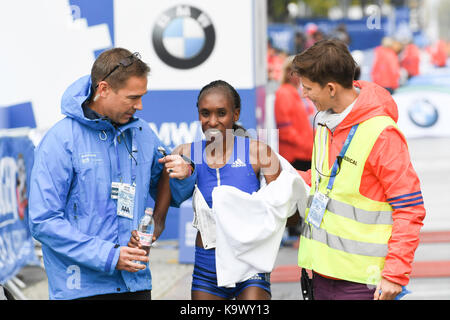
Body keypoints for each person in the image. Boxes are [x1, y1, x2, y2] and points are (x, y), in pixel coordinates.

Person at [28, 47, 196, 300]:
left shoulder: (142, 132)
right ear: (103, 89)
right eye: (132, 97)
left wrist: (185, 171)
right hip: (80, 289)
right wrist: (109, 255)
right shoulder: (60, 140)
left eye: (142, 97)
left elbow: (172, 192)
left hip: (135, 284)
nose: (139, 106)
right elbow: (43, 221)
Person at [129, 80, 306, 300]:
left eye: (221, 113)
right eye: (205, 113)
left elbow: (290, 217)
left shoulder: (260, 153)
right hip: (207, 267)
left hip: (249, 264)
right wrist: (142, 239)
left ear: (236, 114)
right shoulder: (184, 153)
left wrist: (258, 210)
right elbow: (159, 220)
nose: (212, 121)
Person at [292, 39, 426, 300]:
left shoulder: (382, 134)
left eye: (308, 88)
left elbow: (409, 208)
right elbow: (321, 183)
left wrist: (394, 275)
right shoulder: (324, 122)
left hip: (362, 284)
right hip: (320, 274)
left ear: (331, 88)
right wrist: (277, 174)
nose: (304, 95)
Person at [274, 56, 314, 237]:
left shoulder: (293, 92)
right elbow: (286, 128)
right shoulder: (284, 93)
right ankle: (294, 228)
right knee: (297, 193)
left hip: (303, 150)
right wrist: (305, 143)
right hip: (295, 153)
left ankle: (299, 227)